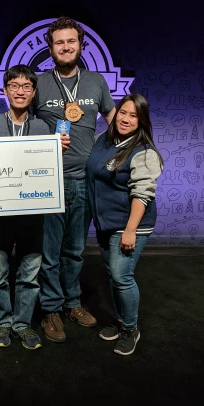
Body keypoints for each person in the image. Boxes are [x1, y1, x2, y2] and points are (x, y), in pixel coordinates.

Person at [30, 16, 116, 342]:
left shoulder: (95, 82)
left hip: (84, 181)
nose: (65, 47)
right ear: (50, 48)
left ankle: (72, 302)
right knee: (49, 252)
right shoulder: (39, 83)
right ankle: (50, 308)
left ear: (81, 45)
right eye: (59, 42)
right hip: (48, 181)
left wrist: (113, 153)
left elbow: (115, 121)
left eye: (71, 41)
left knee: (76, 250)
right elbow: (23, 124)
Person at [0, 65, 70, 350]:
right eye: (14, 86)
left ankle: (22, 323)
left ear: (33, 92)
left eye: (26, 86)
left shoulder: (43, 128)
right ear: (5, 91)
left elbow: (46, 170)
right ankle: (2, 322)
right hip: (0, 217)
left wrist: (57, 152)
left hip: (32, 215)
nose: (20, 91)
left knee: (30, 274)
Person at [86, 93, 163, 355]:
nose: (126, 119)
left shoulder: (144, 152)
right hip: (106, 222)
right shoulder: (103, 140)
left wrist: (130, 230)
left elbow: (142, 194)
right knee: (113, 274)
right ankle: (120, 321)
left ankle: (131, 329)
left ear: (142, 121)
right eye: (123, 113)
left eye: (133, 116)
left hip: (130, 224)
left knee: (121, 276)